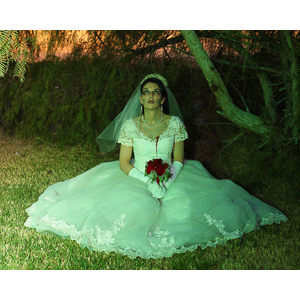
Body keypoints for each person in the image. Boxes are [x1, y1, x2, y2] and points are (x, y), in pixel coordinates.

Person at [24, 73, 288, 259]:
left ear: (163, 99)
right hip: (135, 176)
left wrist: (168, 181)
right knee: (133, 207)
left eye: (156, 92)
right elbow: (124, 162)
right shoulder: (130, 126)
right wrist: (146, 180)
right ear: (140, 99)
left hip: (172, 175)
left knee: (187, 204)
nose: (151, 96)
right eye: (146, 92)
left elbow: (178, 159)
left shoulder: (174, 124)